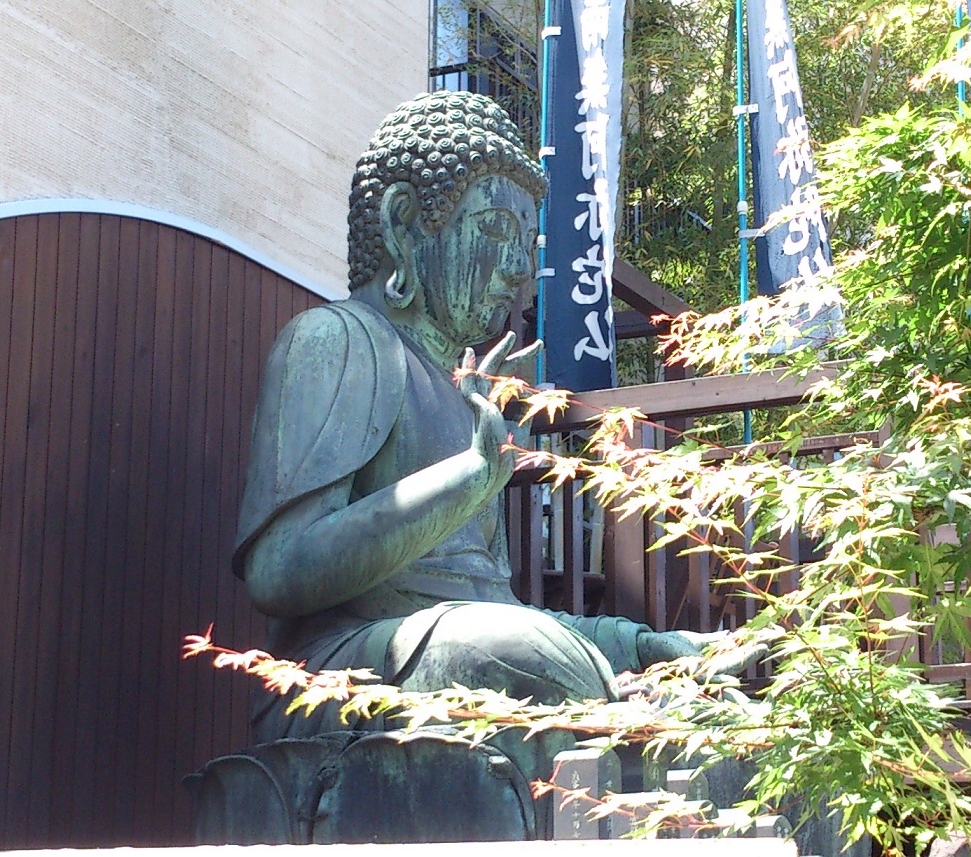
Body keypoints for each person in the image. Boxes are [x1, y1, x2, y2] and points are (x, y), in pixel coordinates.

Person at [233, 91, 745, 743]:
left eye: (525, 244)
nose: (519, 269)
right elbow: (278, 572)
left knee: (688, 697)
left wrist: (638, 644)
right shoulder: (336, 340)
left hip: (463, 645)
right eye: (496, 232)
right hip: (343, 673)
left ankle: (637, 694)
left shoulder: (464, 392)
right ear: (404, 224)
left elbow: (492, 603)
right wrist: (470, 476)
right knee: (512, 648)